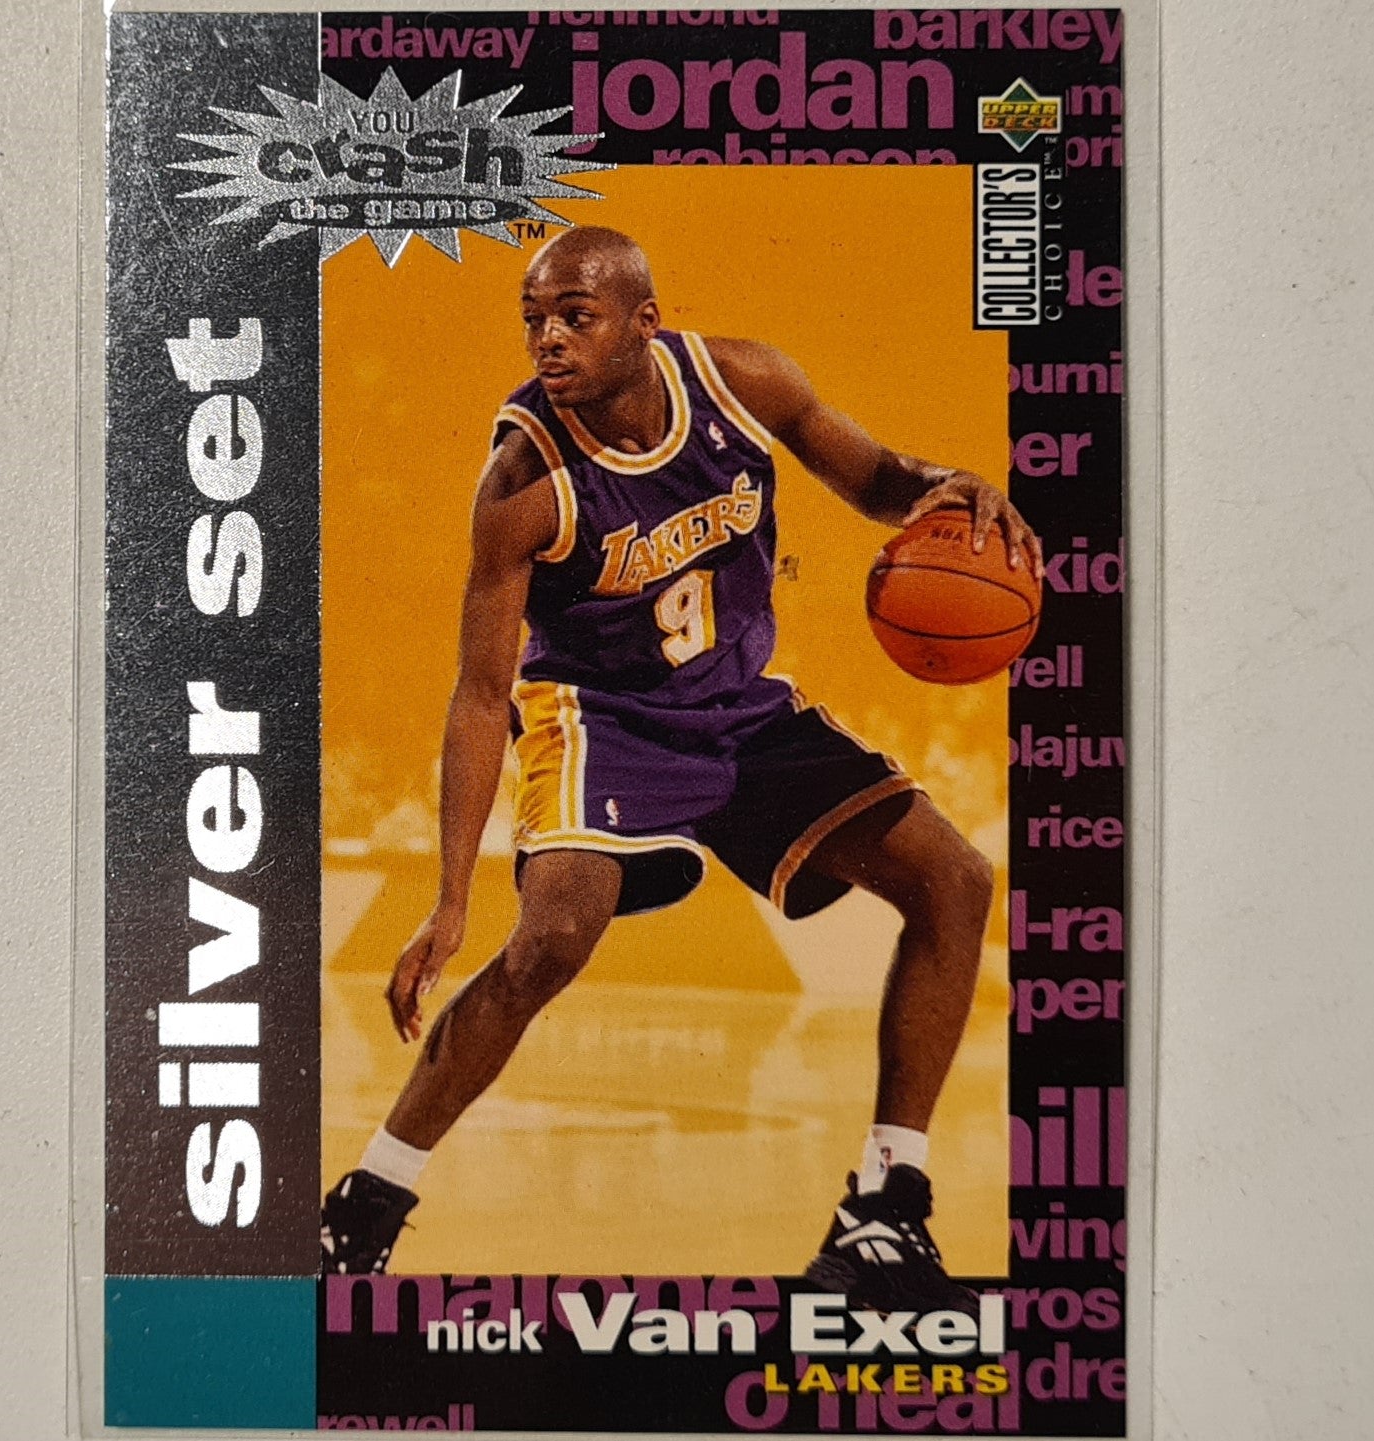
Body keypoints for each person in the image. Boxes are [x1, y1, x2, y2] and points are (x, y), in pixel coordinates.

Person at [321, 226, 1042, 1312]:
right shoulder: (522, 478)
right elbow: (478, 694)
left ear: (643, 322)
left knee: (955, 879)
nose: (548, 339)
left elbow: (878, 481)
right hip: (600, 717)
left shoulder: (744, 382)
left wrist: (952, 484)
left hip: (737, 710)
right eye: (533, 319)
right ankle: (367, 1201)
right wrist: (451, 899)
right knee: (552, 939)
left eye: (575, 316)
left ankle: (885, 1206)